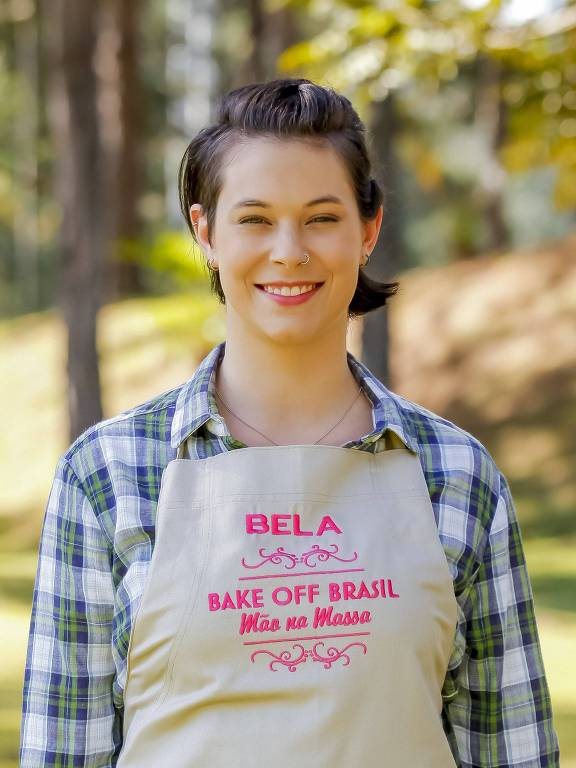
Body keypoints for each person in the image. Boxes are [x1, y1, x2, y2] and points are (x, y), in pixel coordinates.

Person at [20, 78, 559, 767]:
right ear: (204, 231)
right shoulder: (107, 472)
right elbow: (61, 753)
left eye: (321, 217)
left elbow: (514, 750)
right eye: (253, 219)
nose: (288, 250)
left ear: (369, 229)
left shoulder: (457, 474)